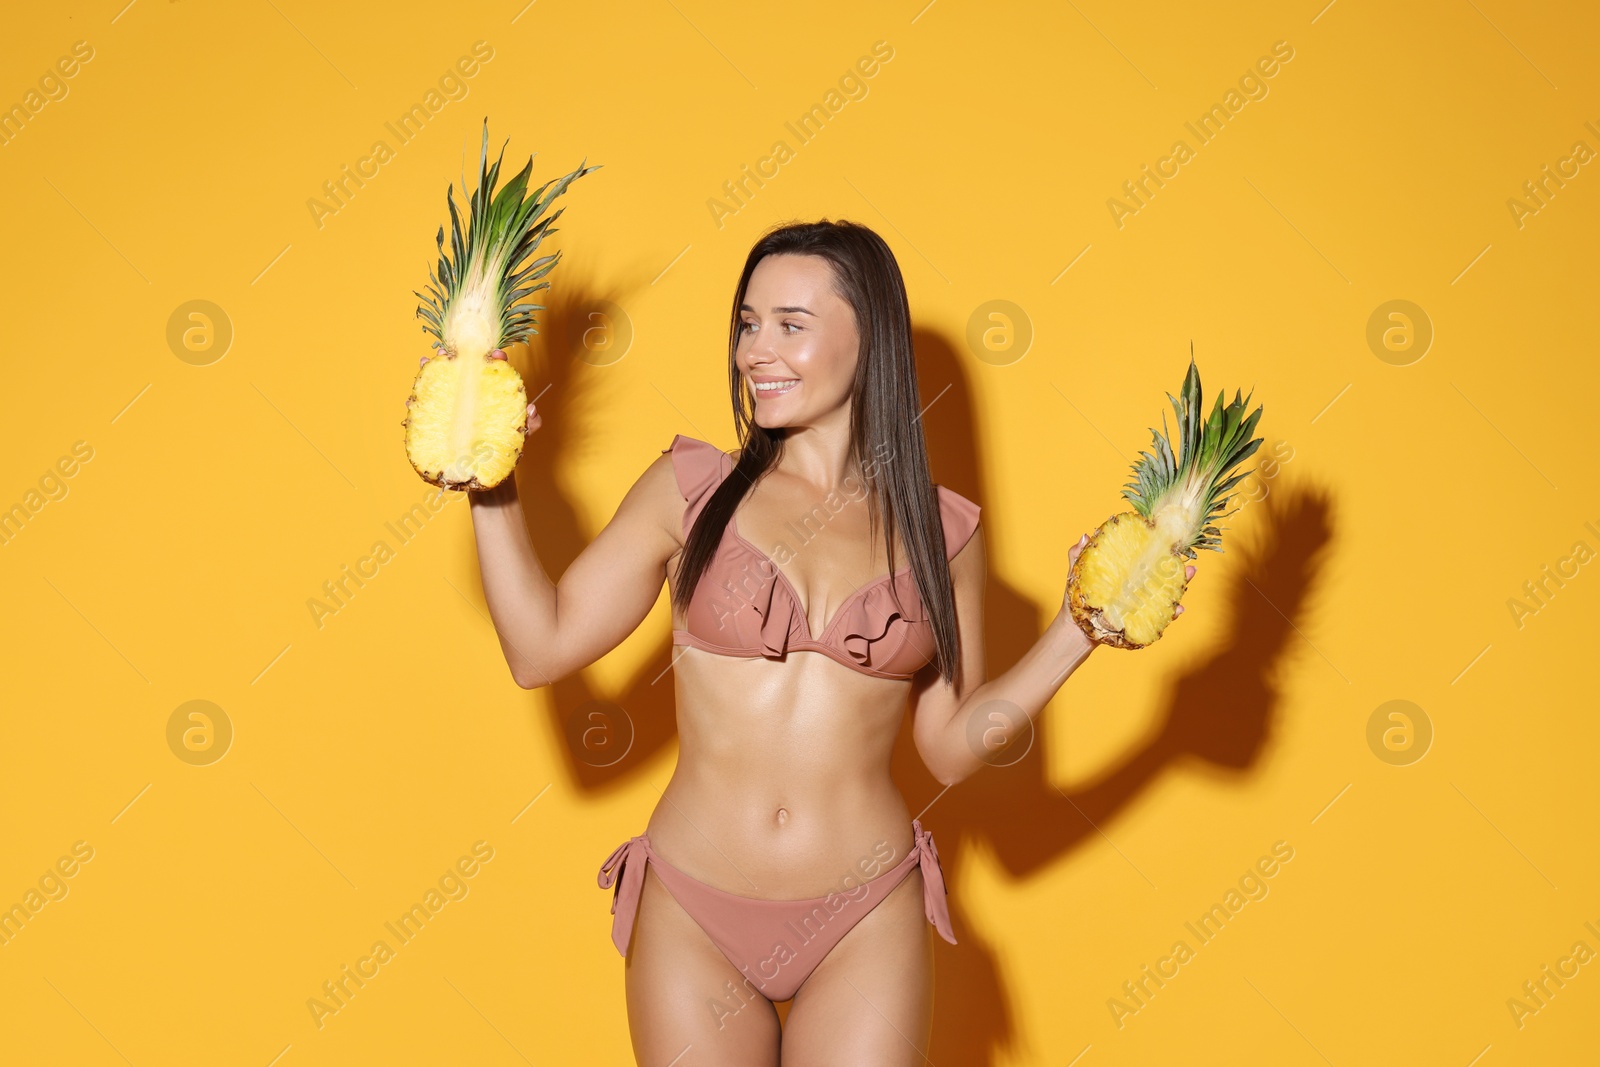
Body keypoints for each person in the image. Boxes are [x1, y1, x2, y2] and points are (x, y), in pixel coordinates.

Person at [466, 219, 1192, 1065]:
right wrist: (491, 481)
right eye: (747, 323)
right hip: (695, 910)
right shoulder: (689, 491)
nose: (755, 351)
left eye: (790, 325)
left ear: (866, 337)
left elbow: (954, 750)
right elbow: (540, 648)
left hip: (862, 917)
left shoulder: (940, 532)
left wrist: (1081, 630)